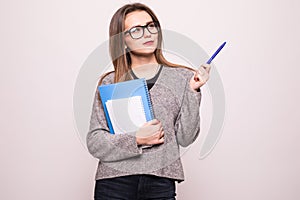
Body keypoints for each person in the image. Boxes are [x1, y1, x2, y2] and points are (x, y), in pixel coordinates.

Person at [87, 3, 211, 200]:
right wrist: (137, 138)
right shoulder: (111, 81)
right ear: (123, 41)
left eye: (151, 26)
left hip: (160, 182)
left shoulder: (182, 78)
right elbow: (95, 142)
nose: (147, 34)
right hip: (114, 182)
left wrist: (193, 91)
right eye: (136, 30)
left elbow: (186, 137)